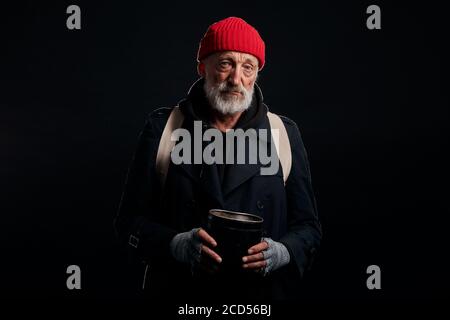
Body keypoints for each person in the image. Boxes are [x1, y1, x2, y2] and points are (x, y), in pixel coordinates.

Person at [114, 16, 321, 301]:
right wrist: (175, 245)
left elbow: (308, 228)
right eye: (225, 64)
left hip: (257, 301)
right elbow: (129, 221)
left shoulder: (282, 133)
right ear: (203, 68)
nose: (236, 79)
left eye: (247, 67)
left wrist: (283, 253)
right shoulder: (163, 128)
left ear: (256, 74)